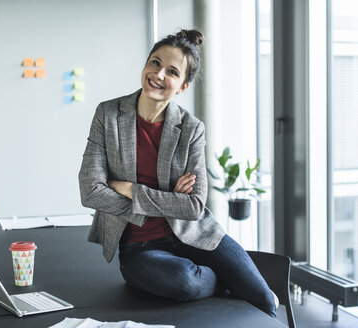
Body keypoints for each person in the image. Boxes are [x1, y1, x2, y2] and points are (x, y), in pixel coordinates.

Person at [78, 29, 278, 318]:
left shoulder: (192, 128)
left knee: (263, 297)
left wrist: (131, 189)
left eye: (172, 71)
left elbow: (194, 206)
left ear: (183, 86)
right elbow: (90, 190)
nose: (158, 75)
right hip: (140, 246)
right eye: (155, 63)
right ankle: (223, 279)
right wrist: (166, 201)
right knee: (186, 281)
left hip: (197, 235)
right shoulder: (108, 115)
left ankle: (231, 279)